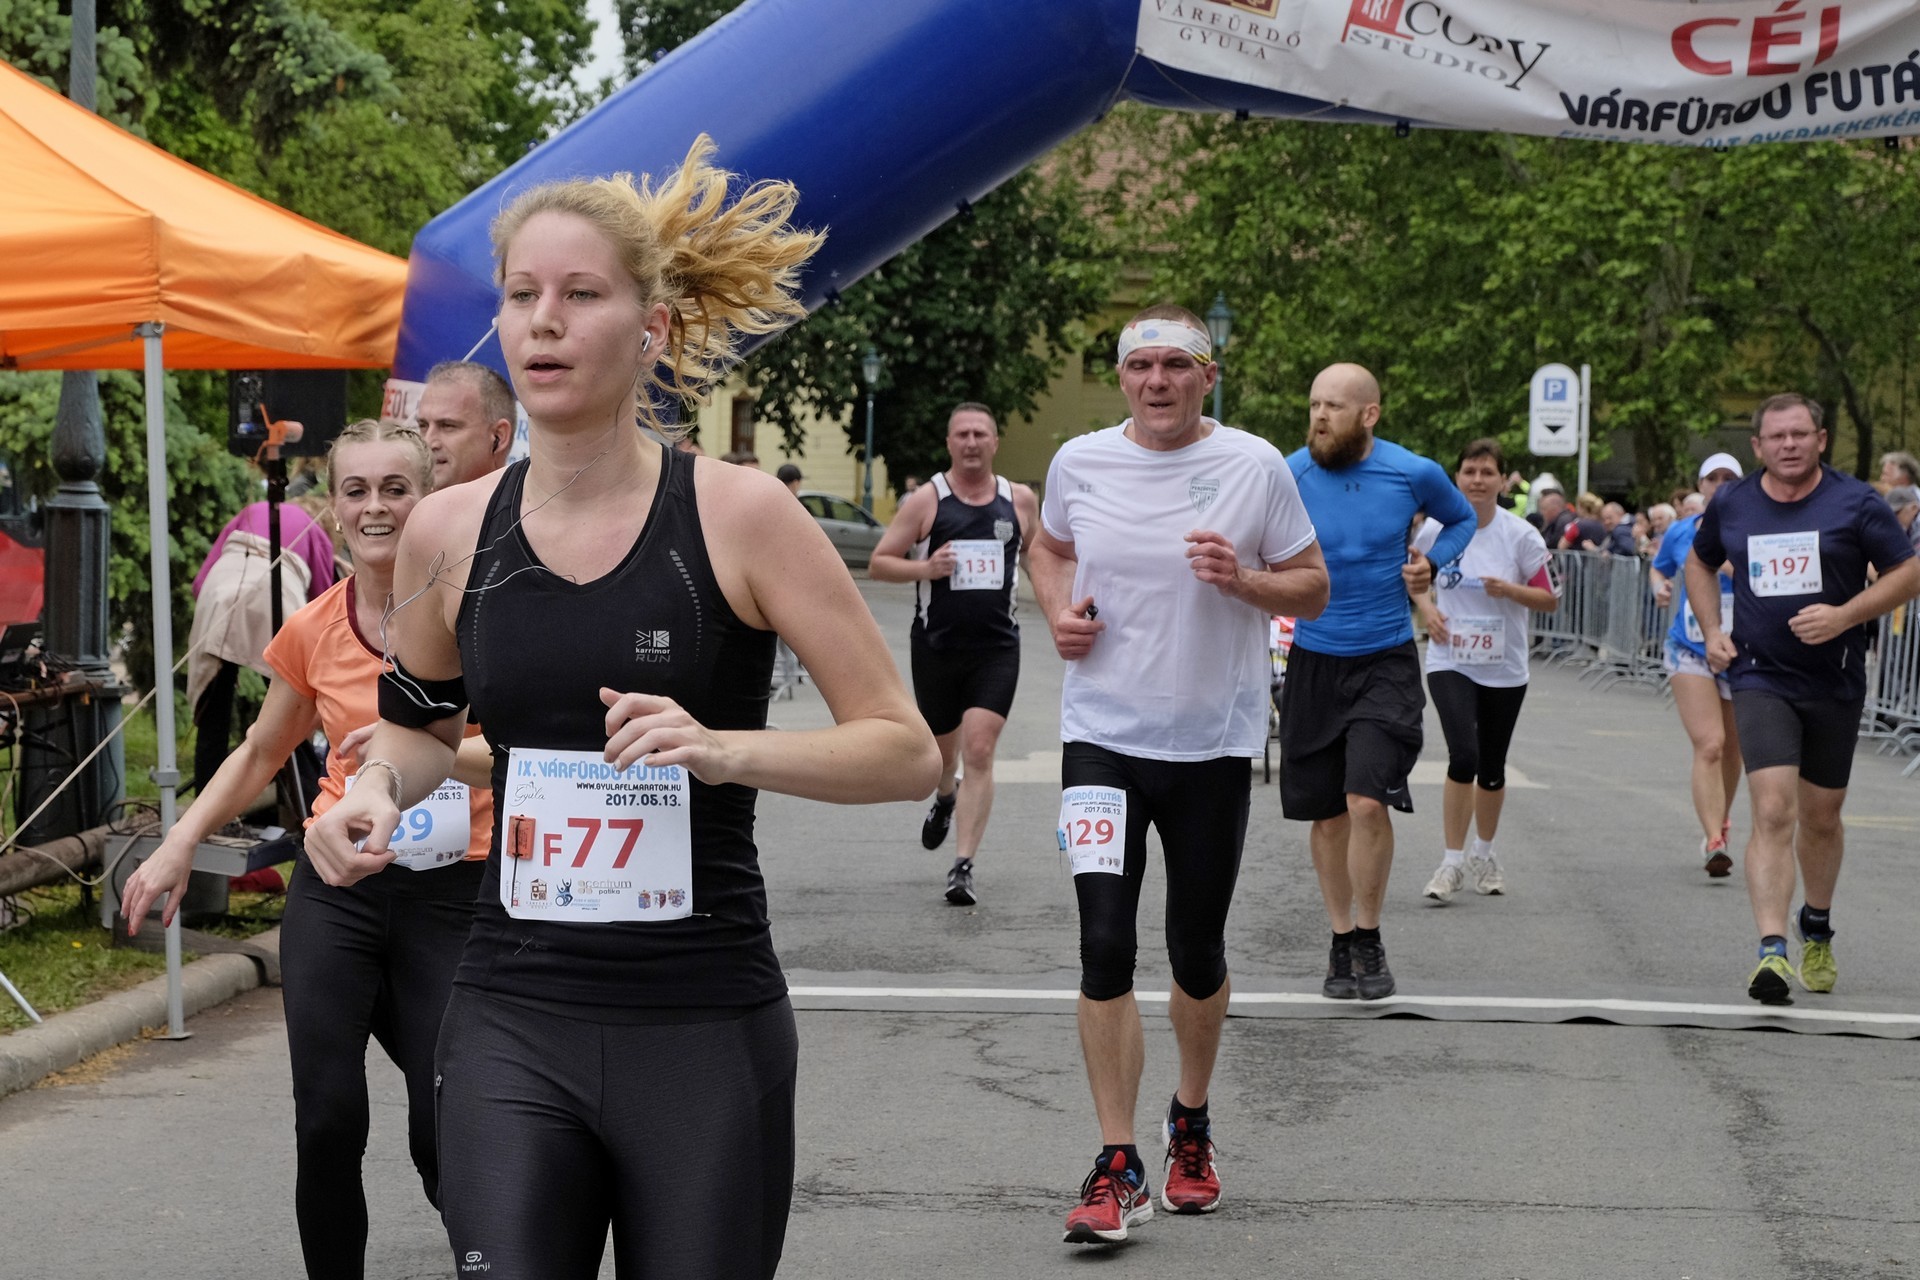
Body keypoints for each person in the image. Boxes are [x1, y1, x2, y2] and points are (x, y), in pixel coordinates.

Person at [306, 137, 938, 1278]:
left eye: (581, 294)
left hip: (702, 1022)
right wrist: (376, 789)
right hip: (509, 1012)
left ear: (651, 328)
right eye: (521, 295)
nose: (544, 321)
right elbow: (418, 724)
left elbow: (906, 752)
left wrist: (724, 750)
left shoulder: (741, 514)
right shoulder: (450, 527)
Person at [124, 421, 495, 1279]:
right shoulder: (317, 628)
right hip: (339, 891)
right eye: (356, 490)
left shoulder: (478, 617)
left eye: (396, 488)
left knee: (447, 1125)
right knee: (327, 1117)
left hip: (455, 893)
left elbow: (524, 751)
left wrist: (421, 750)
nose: (376, 507)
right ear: (332, 508)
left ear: (429, 498)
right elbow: (260, 751)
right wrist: (179, 841)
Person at [1028, 304, 1327, 1243]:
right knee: (1104, 946)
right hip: (1100, 738)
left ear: (1208, 374)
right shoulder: (1080, 461)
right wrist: (1057, 610)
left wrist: (1244, 581)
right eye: (1139, 366)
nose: (1156, 381)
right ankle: (1117, 1163)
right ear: (1122, 378)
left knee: (1196, 950)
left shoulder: (1254, 465)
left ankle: (1189, 1121)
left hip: (1210, 744)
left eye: (1175, 365)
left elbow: (1313, 585)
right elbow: (1050, 546)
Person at [1687, 394, 1920, 1004]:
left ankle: (1815, 924)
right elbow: (1699, 563)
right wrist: (1712, 631)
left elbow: (1908, 573)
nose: (1788, 445)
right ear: (1757, 446)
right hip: (1760, 675)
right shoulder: (1734, 501)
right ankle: (1771, 951)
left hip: (1833, 679)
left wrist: (1845, 615)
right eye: (1776, 436)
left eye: (1799, 434)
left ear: (1820, 439)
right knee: (1772, 810)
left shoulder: (1856, 502)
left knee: (1822, 816)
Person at [1283, 363, 1475, 1000]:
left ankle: (1369, 934)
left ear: (1369, 414)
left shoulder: (1412, 471)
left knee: (1366, 801)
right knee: (1327, 816)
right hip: (1313, 658)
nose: (1319, 416)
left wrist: (1430, 564)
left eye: (1334, 406)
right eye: (1314, 404)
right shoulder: (1288, 473)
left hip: (1385, 659)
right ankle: (1341, 940)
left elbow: (1462, 520)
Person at [868, 401, 1039, 905]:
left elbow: (1040, 559)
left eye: (980, 434)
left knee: (980, 749)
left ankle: (962, 866)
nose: (971, 442)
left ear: (995, 442)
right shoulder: (928, 500)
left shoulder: (1019, 500)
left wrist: (1065, 608)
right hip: (937, 647)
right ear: (949, 443)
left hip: (997, 648)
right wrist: (926, 569)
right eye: (962, 434)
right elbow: (880, 562)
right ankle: (946, 795)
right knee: (944, 756)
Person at [1406, 439, 1559, 903]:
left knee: (1491, 767)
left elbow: (1549, 599)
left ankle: (1484, 853)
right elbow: (1413, 576)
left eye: (1487, 472)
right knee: (1463, 756)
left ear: (1501, 481)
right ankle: (1451, 862)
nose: (1477, 480)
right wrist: (1427, 609)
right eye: (1469, 471)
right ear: (1457, 478)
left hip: (1503, 665)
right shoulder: (1436, 530)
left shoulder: (1520, 536)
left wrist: (1510, 590)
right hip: (1450, 658)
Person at [187, 497, 337, 797]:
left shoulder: (252, 510)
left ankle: (207, 803)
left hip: (219, 592)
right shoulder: (316, 530)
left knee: (213, 716)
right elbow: (325, 600)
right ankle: (309, 802)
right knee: (292, 712)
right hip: (278, 594)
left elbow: (199, 582)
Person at [1649, 453, 1747, 877]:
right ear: (1701, 486)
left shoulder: (1755, 528)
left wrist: (1720, 561)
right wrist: (1660, 587)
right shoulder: (1681, 530)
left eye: (1729, 477)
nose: (1721, 484)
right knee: (1710, 743)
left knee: (1733, 748)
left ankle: (1720, 818)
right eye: (1713, 478)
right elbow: (1658, 568)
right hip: (1690, 647)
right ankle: (1713, 840)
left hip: (1740, 651)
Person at [416, 359, 516, 490]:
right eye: (423, 426)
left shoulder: (526, 502)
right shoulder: (406, 501)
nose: (428, 442)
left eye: (447, 426)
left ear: (499, 436)